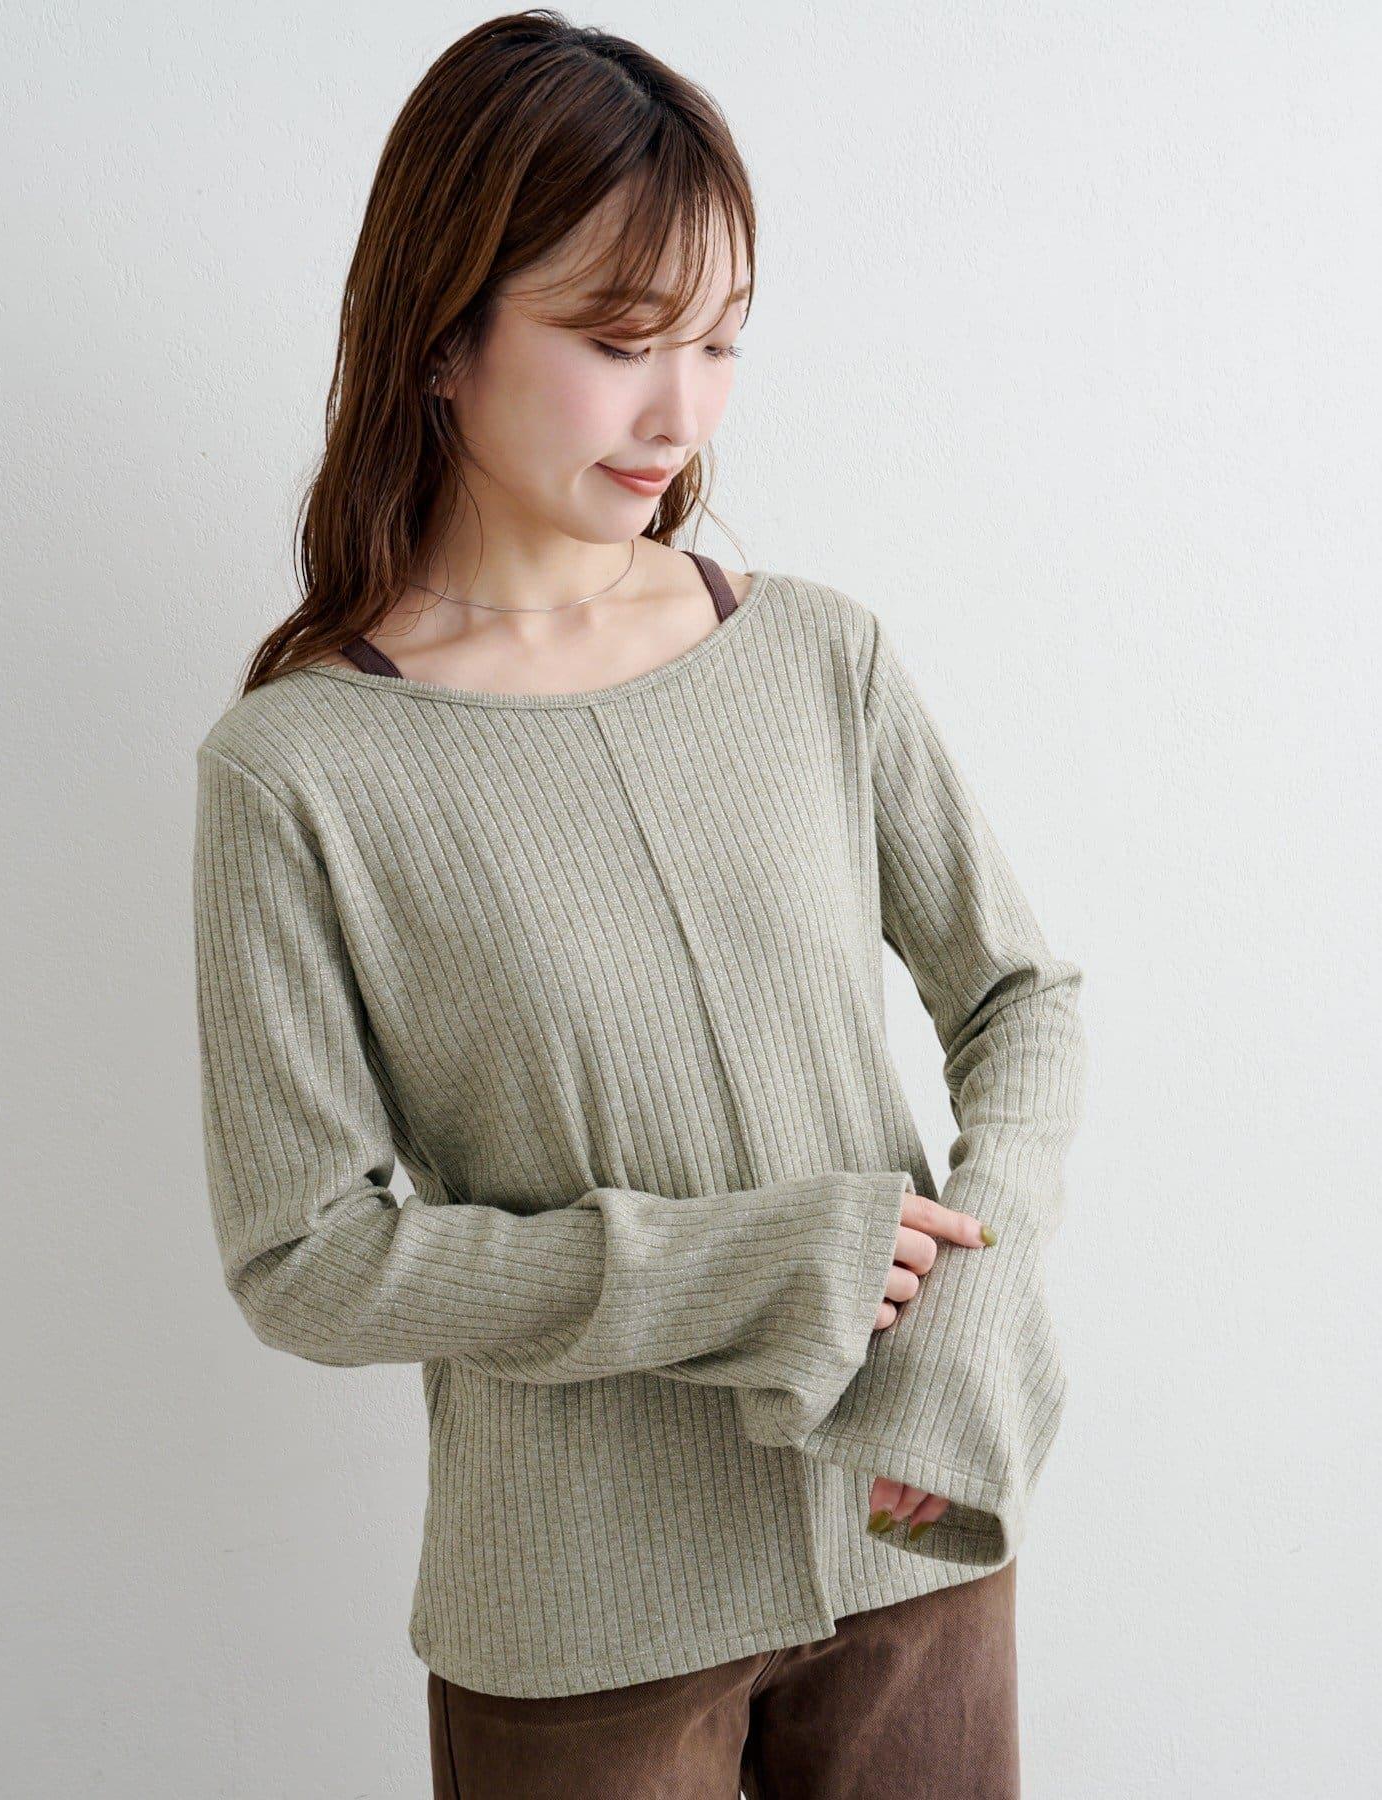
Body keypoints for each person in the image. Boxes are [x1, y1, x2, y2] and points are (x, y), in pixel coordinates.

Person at [191, 12, 1088, 1797]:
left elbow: (1020, 997)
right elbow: (306, 1259)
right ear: (441, 336)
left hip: (911, 1533)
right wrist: (746, 1267)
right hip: (579, 1615)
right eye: (618, 342)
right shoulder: (299, 772)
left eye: (721, 340)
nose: (682, 413)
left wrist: (974, 1297)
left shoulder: (816, 655)